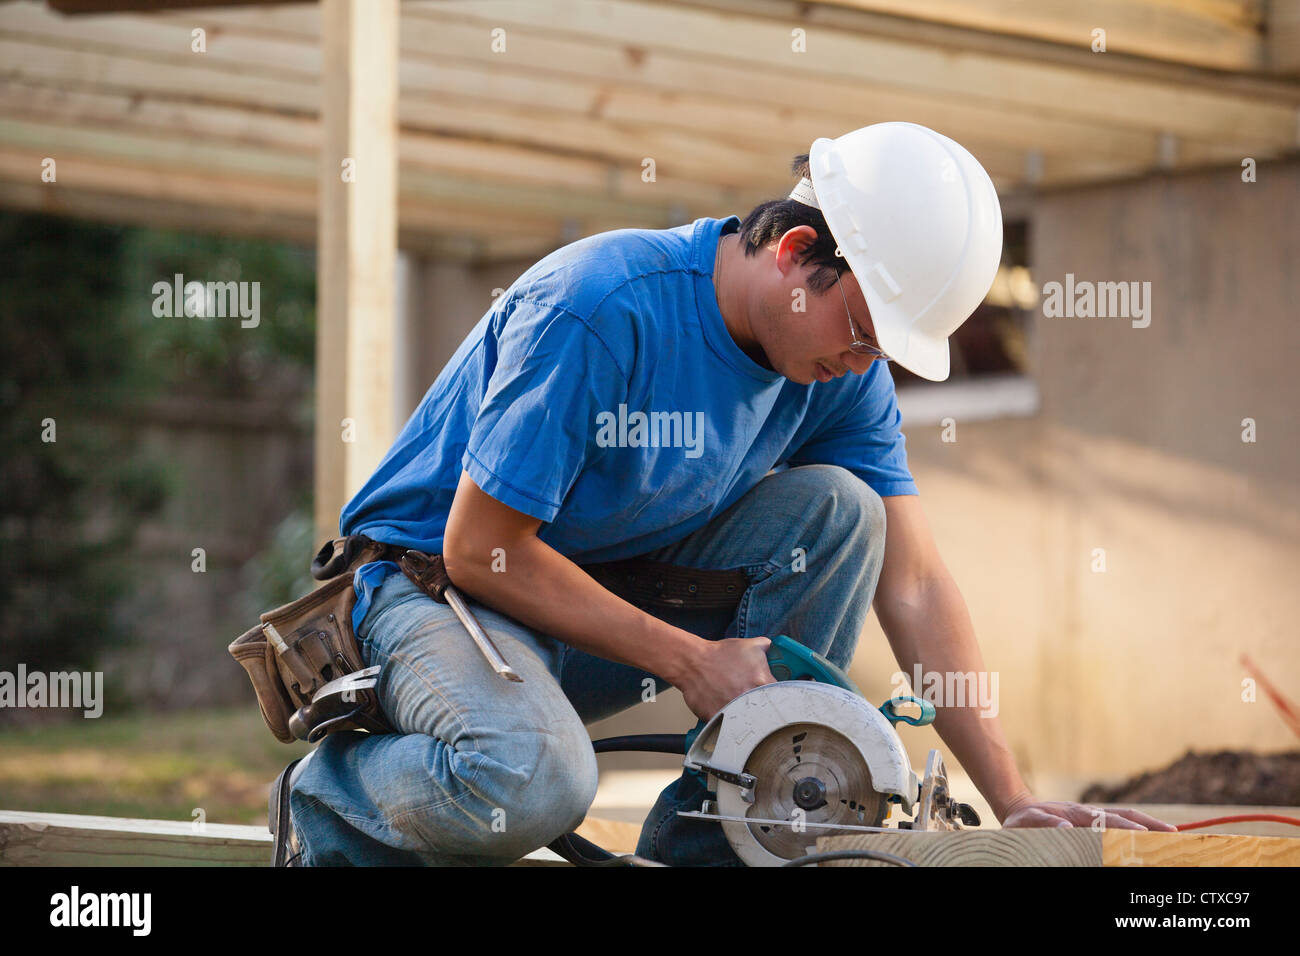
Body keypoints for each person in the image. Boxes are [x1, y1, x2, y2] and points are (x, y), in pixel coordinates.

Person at [275, 122, 1175, 866]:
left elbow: (916, 583)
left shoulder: (835, 371)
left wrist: (1011, 796)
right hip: (425, 592)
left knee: (841, 512)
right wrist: (689, 659)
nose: (862, 365)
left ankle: (715, 846)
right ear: (794, 253)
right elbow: (483, 550)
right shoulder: (600, 306)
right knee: (532, 783)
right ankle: (327, 800)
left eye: (881, 352)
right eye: (861, 332)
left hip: (569, 604)